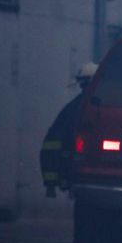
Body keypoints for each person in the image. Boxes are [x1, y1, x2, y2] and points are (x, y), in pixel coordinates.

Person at [40, 63, 96, 198]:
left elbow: (50, 146)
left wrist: (51, 183)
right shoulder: (74, 109)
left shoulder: (73, 108)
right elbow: (51, 145)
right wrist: (51, 182)